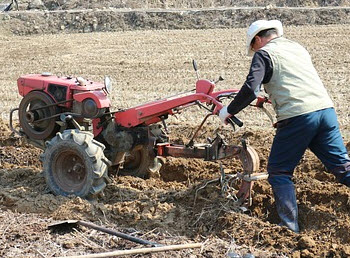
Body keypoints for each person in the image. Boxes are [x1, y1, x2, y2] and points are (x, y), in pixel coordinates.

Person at [219, 20, 350, 233]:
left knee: (279, 171)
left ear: (258, 40)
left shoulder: (264, 54)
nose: (254, 51)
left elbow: (251, 89)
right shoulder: (297, 48)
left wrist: (229, 111)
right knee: (343, 168)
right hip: (325, 111)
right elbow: (291, 80)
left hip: (298, 117)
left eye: (253, 47)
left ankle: (289, 228)